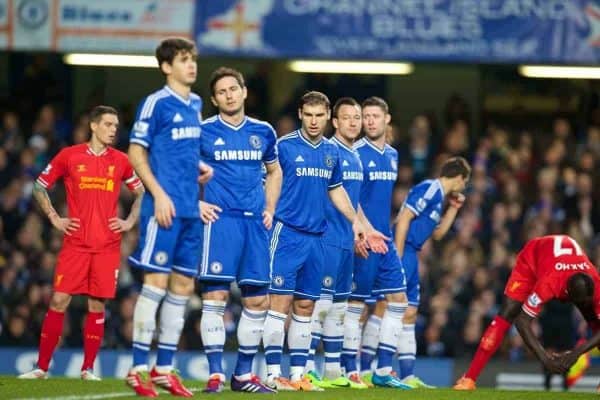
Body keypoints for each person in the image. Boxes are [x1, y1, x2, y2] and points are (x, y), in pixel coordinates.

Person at [262, 91, 386, 391]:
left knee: (306, 306)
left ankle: (297, 375)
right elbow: (267, 179)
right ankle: (271, 373)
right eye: (309, 115)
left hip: (317, 238)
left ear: (326, 116)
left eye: (319, 115)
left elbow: (336, 190)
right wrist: (266, 212)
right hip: (288, 233)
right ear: (301, 115)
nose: (314, 121)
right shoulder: (285, 147)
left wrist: (356, 223)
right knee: (279, 303)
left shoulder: (330, 154)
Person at [18, 105, 144, 380]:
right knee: (59, 300)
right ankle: (41, 367)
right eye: (109, 124)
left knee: (97, 306)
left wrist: (130, 221)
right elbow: (40, 185)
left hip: (107, 246)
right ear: (94, 126)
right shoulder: (69, 156)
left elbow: (140, 192)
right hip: (75, 243)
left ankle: (88, 369)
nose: (114, 130)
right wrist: (54, 217)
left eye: (116, 125)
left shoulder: (120, 160)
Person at [126, 37, 213, 398]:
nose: (191, 65)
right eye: (182, 59)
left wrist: (199, 166)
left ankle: (163, 369)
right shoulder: (156, 103)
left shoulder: (195, 103)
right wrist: (158, 194)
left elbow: (180, 151)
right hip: (163, 210)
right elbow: (135, 151)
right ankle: (136, 369)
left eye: (192, 59)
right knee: (155, 286)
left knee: (182, 288)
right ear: (166, 67)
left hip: (191, 210)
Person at [197, 67, 281, 393]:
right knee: (215, 296)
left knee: (258, 301)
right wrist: (195, 204)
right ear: (214, 99)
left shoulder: (264, 131)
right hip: (221, 222)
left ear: (244, 92)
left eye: (234, 89)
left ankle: (243, 376)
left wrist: (270, 208)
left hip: (255, 225)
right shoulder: (203, 131)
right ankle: (215, 374)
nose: (229, 95)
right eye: (222, 91)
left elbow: (274, 172)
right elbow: (176, 167)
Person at [454, 234, 600, 390]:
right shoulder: (549, 283)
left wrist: (575, 354)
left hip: (561, 264)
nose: (583, 305)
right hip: (533, 259)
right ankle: (468, 379)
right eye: (580, 302)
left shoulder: (596, 283)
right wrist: (545, 359)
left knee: (594, 318)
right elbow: (522, 321)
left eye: (586, 300)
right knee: (508, 312)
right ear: (567, 293)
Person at [304, 97, 376, 389]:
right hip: (327, 239)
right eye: (346, 118)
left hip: (346, 241)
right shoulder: (329, 151)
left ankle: (333, 371)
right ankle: (305, 367)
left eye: (357, 118)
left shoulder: (355, 155)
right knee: (319, 306)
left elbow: (352, 202)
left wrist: (361, 229)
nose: (353, 123)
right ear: (334, 122)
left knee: (339, 307)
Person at [341, 97, 410, 389]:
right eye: (365, 116)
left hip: (385, 239)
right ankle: (348, 370)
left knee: (399, 302)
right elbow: (348, 197)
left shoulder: (392, 154)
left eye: (374, 116)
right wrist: (360, 232)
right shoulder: (355, 152)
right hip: (364, 239)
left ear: (387, 119)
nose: (369, 121)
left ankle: (383, 369)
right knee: (357, 306)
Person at [394, 156, 471, 388]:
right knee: (386, 309)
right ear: (459, 178)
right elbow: (404, 218)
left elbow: (437, 234)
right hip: (403, 250)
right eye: (465, 181)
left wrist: (454, 209)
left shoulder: (439, 199)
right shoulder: (429, 188)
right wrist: (396, 257)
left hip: (412, 254)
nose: (464, 186)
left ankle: (406, 375)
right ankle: (380, 370)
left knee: (409, 314)